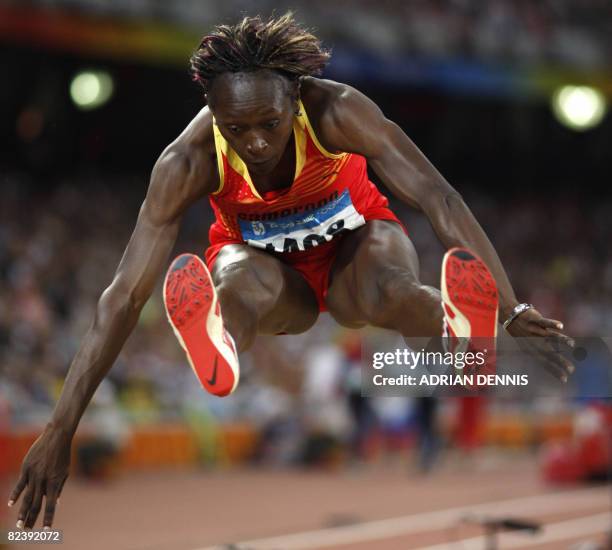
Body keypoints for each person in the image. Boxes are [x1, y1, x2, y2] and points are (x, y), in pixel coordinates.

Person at [8, 12, 574, 530]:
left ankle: (455, 332)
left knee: (388, 285)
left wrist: (509, 305)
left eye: (269, 124)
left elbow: (438, 197)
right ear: (213, 114)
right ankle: (220, 335)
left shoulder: (337, 110)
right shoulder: (189, 159)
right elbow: (124, 295)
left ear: (297, 100)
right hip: (279, 284)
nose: (253, 141)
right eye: (235, 127)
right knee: (231, 275)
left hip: (357, 251)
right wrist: (61, 425)